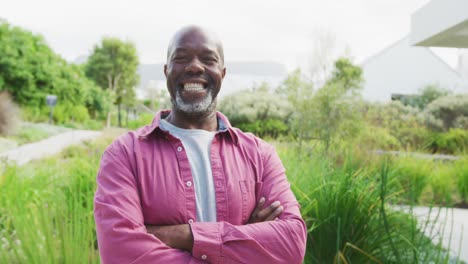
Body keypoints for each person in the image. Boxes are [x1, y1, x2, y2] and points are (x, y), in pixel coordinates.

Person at [94, 25, 307, 264]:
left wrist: (181, 235)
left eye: (208, 59)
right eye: (181, 58)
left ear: (222, 74)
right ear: (166, 72)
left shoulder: (260, 155)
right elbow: (120, 253)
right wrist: (244, 243)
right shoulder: (125, 154)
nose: (195, 67)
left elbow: (291, 244)